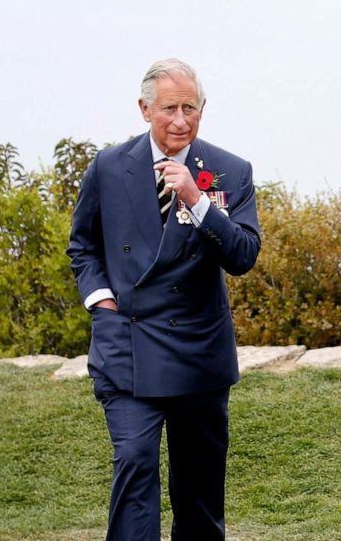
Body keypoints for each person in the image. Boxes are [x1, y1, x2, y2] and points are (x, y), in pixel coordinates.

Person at [66, 58, 261, 541]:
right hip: (126, 346)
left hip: (198, 352)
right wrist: (102, 303)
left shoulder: (230, 171)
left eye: (190, 108)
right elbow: (83, 245)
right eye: (169, 108)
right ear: (144, 108)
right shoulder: (109, 166)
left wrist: (197, 201)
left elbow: (242, 256)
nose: (180, 120)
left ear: (203, 108)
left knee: (198, 495)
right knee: (134, 462)